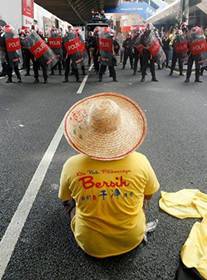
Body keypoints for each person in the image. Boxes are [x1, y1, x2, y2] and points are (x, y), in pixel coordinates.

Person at [59, 92, 160, 258]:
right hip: (131, 238)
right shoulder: (141, 161)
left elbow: (65, 196)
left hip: (90, 244)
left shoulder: (72, 165)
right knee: (140, 197)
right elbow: (149, 194)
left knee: (70, 203)